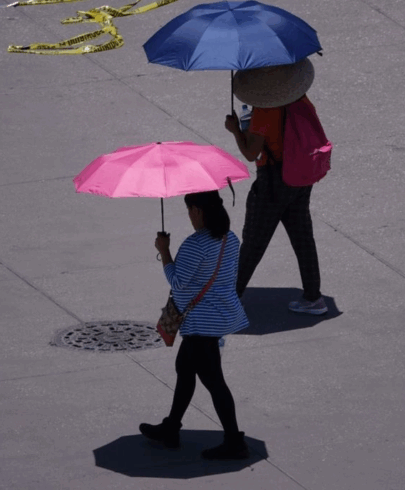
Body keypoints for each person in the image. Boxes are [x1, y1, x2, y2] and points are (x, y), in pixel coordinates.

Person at [140, 190, 250, 460]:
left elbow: (177, 281)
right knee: (185, 368)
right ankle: (170, 428)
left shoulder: (194, 245)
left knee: (213, 381)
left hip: (201, 322)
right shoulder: (230, 239)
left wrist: (164, 251)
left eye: (189, 210)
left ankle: (234, 441)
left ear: (198, 211)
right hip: (219, 315)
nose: (188, 215)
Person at [224, 58, 327, 315]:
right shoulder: (300, 99)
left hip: (274, 181)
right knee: (303, 238)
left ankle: (229, 300)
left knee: (254, 242)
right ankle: (314, 298)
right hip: (300, 177)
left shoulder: (264, 112)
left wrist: (236, 130)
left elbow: (251, 153)